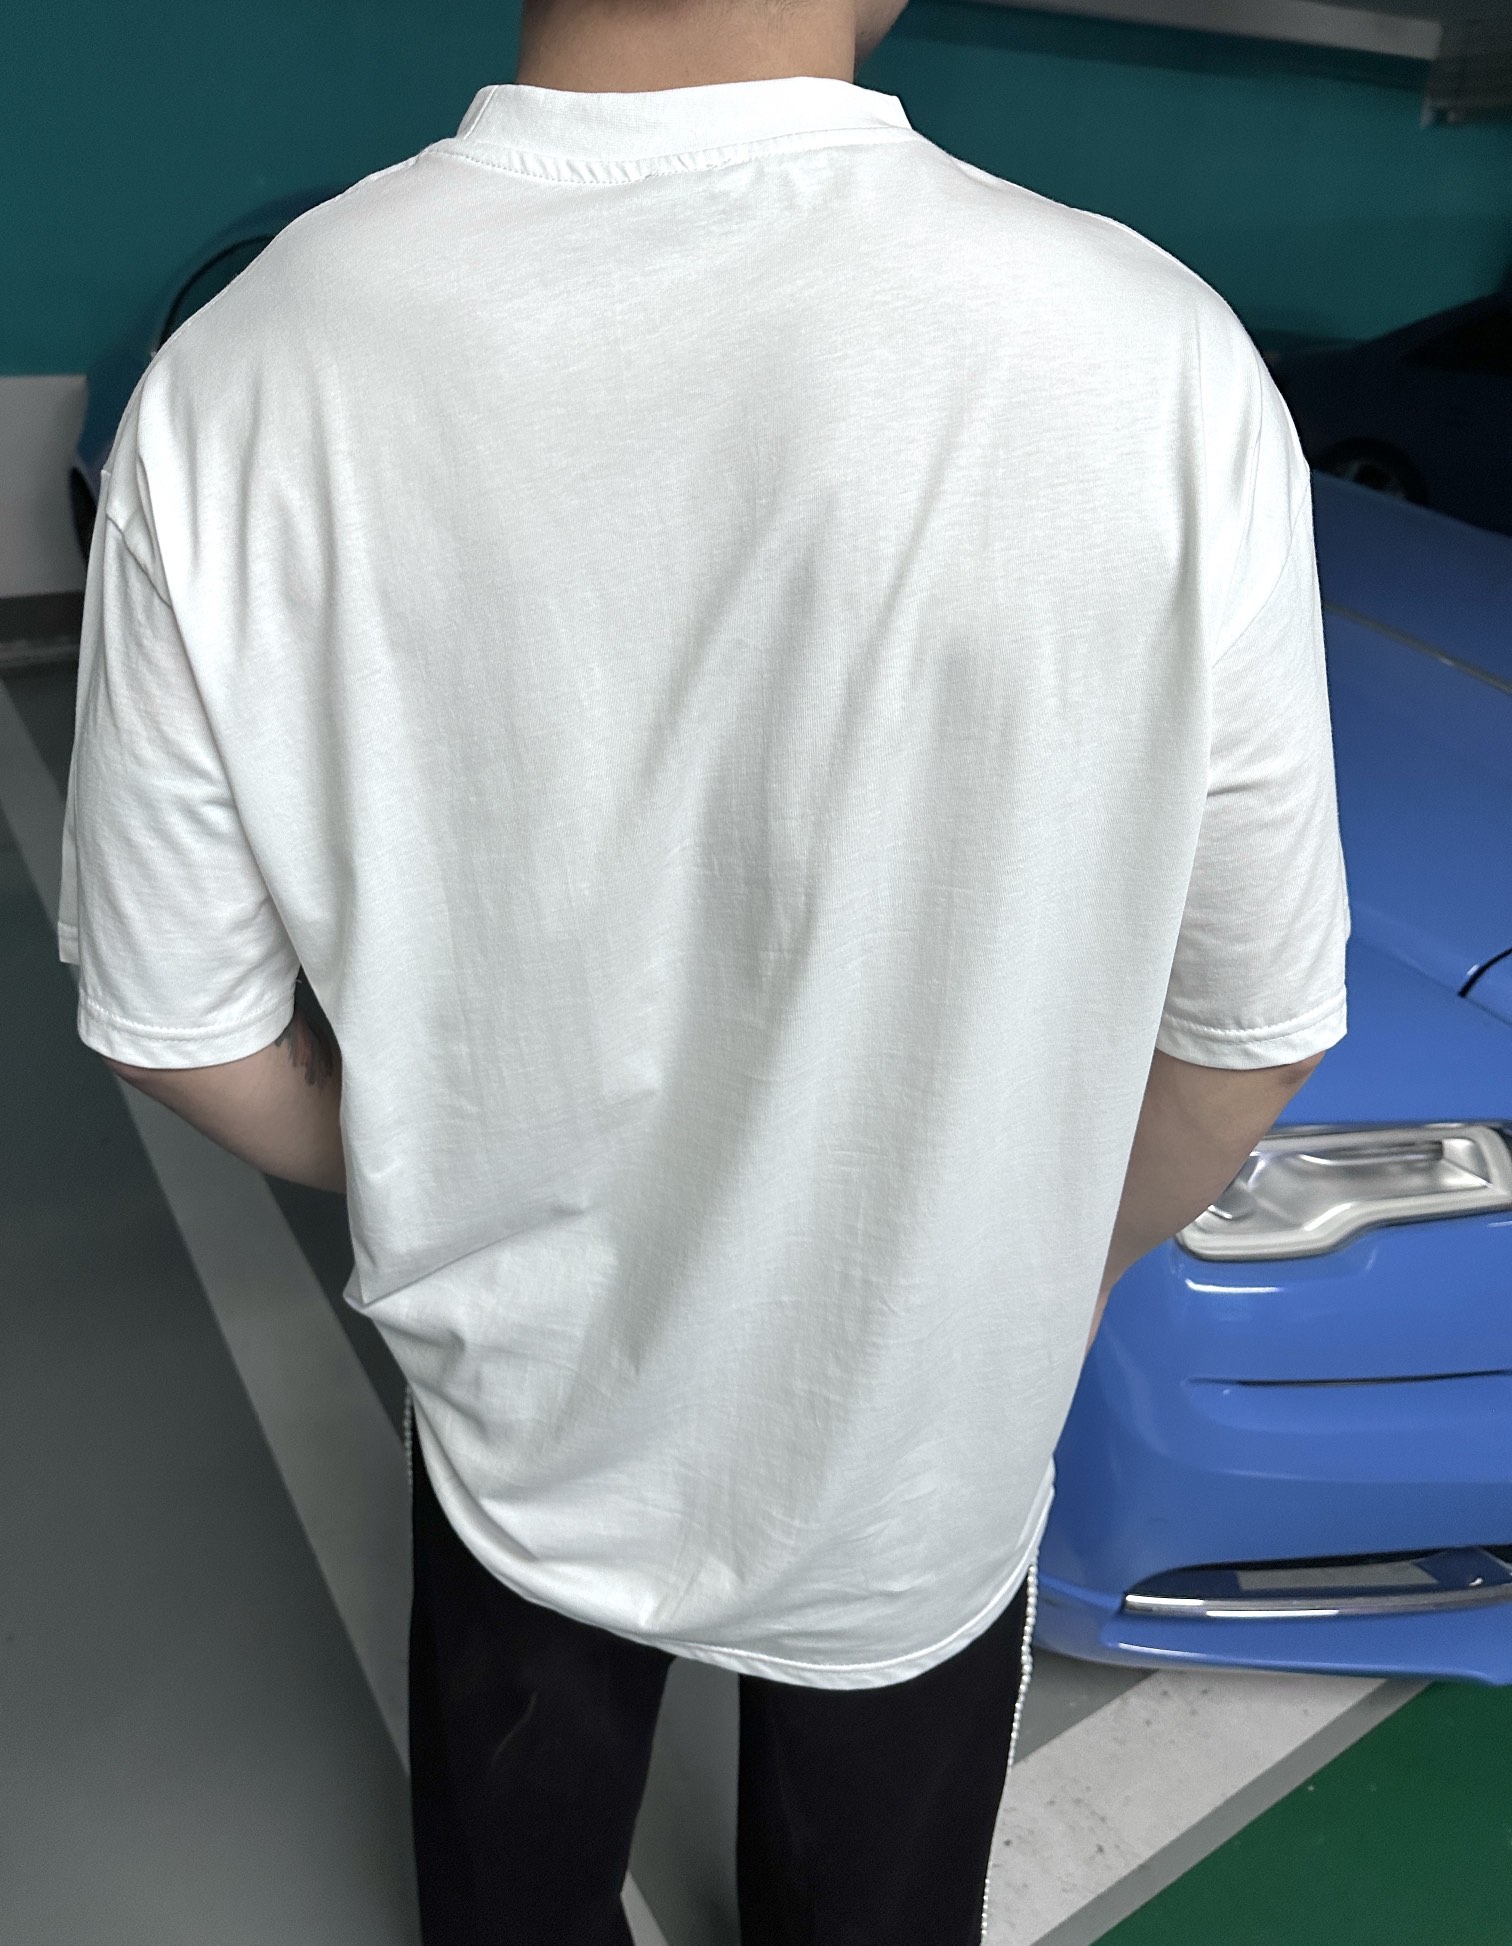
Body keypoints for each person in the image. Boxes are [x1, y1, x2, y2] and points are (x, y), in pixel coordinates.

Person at [57, 0, 1350, 1932]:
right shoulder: (1156, 359)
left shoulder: (245, 371)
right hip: (927, 1425)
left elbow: (182, 1029)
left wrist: (436, 1158)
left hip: (515, 1411)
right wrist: (1025, 1270)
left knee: (513, 1873)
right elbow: (1249, 1035)